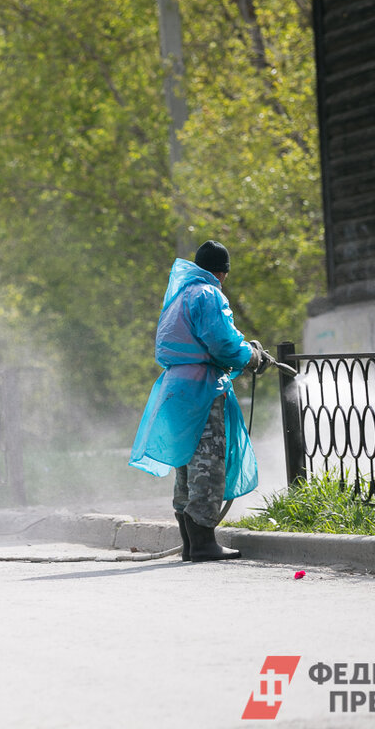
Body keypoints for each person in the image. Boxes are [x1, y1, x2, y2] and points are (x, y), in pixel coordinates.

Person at [129, 240, 274, 562]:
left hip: (175, 388)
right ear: (222, 273)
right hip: (201, 389)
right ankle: (204, 544)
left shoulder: (179, 295)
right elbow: (222, 342)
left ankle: (191, 544)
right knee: (207, 464)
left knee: (186, 463)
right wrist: (250, 356)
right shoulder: (208, 294)